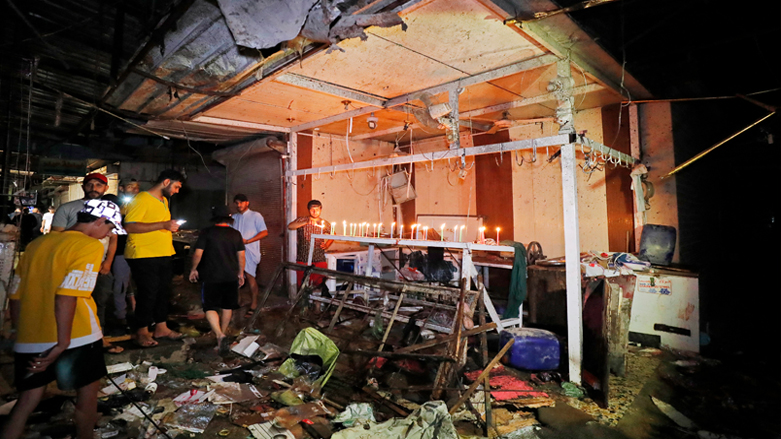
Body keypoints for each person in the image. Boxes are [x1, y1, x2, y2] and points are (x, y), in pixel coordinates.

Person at [1, 199, 125, 439]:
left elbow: (15, 296)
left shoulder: (37, 244)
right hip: (77, 337)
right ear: (100, 221)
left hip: (30, 337)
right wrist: (61, 344)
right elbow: (67, 296)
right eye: (109, 229)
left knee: (25, 403)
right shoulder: (90, 246)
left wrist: (19, 331)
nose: (107, 235)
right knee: (87, 400)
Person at [51, 173, 122, 354]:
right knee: (73, 300)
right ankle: (70, 339)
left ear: (106, 188)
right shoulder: (68, 209)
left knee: (99, 303)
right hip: (71, 265)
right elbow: (56, 237)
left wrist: (107, 263)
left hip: (99, 265)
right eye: (90, 184)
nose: (94, 188)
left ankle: (97, 337)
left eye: (99, 185)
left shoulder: (108, 210)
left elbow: (113, 239)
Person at [123, 169, 185, 347]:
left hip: (163, 252)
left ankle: (161, 327)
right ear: (166, 182)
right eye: (176, 186)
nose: (177, 191)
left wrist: (169, 227)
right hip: (143, 253)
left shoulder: (163, 200)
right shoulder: (141, 199)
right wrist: (163, 224)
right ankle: (142, 331)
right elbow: (130, 226)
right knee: (147, 293)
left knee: (163, 292)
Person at [189, 205, 245, 355]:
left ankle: (219, 334)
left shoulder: (207, 233)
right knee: (227, 306)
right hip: (230, 276)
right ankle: (224, 332)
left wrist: (194, 269)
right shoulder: (235, 234)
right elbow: (241, 256)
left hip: (210, 276)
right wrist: (241, 273)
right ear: (229, 217)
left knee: (210, 307)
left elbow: (198, 254)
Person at [231, 194, 268, 317]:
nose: (239, 205)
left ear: (247, 203)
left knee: (250, 277)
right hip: (235, 252)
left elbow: (264, 232)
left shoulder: (255, 216)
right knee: (235, 277)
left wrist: (247, 241)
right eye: (236, 203)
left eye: (241, 202)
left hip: (250, 251)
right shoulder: (234, 217)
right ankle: (238, 301)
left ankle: (254, 304)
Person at [287, 199, 333, 288]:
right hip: (303, 257)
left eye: (317, 209)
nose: (315, 212)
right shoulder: (302, 220)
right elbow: (290, 226)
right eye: (312, 209)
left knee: (320, 283)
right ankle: (304, 301)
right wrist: (306, 222)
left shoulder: (323, 223)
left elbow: (333, 234)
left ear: (321, 209)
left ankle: (318, 301)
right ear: (309, 210)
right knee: (303, 284)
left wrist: (327, 245)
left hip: (319, 257)